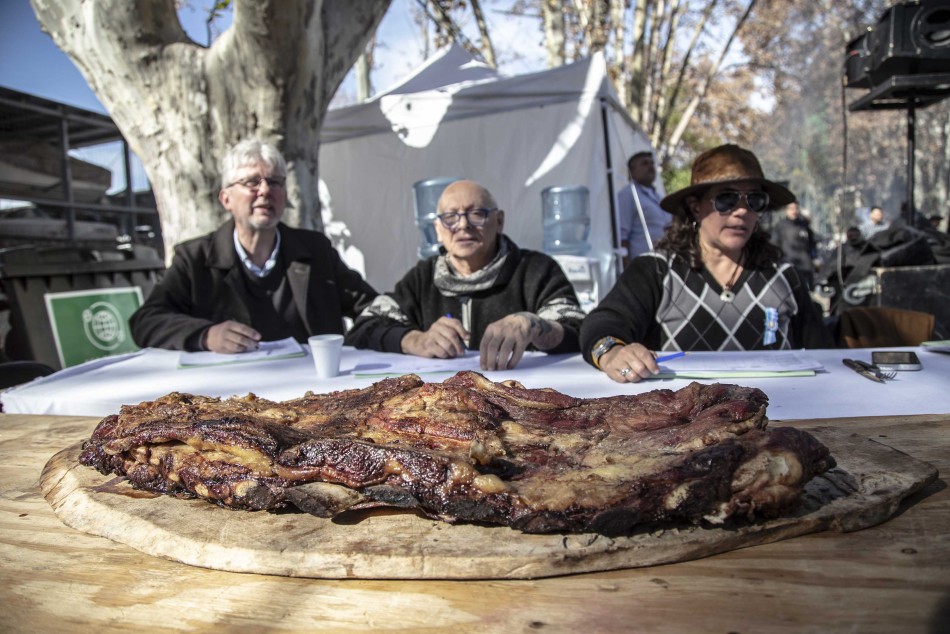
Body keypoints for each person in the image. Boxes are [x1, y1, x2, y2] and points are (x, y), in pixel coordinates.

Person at [580, 144, 834, 383]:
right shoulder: (656, 271)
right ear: (695, 207)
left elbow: (823, 354)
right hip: (684, 422)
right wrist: (611, 352)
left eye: (755, 200)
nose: (742, 211)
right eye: (726, 199)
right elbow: (603, 322)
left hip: (780, 418)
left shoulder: (784, 278)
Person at [130, 139, 378, 353]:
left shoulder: (315, 250)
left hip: (316, 393)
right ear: (225, 198)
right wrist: (206, 336)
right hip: (230, 397)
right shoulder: (195, 258)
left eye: (275, 182)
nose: (265, 191)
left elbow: (369, 305)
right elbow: (145, 322)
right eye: (252, 182)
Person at [344, 179, 586, 370]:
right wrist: (415, 340)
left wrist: (532, 324)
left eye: (476, 214)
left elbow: (579, 329)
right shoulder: (423, 276)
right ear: (438, 230)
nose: (462, 225)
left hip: (526, 401)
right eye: (450, 218)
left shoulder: (535, 269)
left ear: (499, 221)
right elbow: (365, 326)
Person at [617, 151, 669, 265]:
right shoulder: (628, 194)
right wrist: (627, 270)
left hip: (664, 264)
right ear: (632, 171)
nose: (650, 166)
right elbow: (621, 237)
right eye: (644, 163)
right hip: (643, 267)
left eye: (652, 163)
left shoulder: (659, 197)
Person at [770, 201, 819, 289]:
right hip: (788, 267)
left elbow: (812, 244)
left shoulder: (804, 226)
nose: (794, 211)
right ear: (786, 210)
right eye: (791, 209)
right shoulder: (780, 227)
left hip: (805, 268)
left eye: (796, 208)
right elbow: (774, 246)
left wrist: (814, 259)